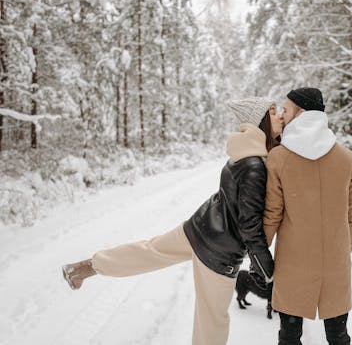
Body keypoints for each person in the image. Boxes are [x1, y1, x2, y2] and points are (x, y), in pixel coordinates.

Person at [61, 97, 283, 345]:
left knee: (148, 251)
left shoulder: (243, 152)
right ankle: (87, 268)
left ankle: (85, 267)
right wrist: (266, 267)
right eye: (274, 112)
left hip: (199, 227)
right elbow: (249, 224)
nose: (281, 115)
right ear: (261, 120)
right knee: (212, 322)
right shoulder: (256, 166)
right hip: (220, 251)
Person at [263, 88, 352, 345]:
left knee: (289, 336)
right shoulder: (345, 157)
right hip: (336, 263)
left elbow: (272, 214)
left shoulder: (278, 158)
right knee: (339, 337)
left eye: (286, 109)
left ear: (301, 113)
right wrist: (342, 249)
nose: (282, 115)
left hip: (294, 263)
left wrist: (258, 252)